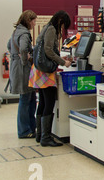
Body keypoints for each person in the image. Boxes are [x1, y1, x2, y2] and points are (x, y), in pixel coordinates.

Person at [29, 11, 72, 146]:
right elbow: (48, 50)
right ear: (60, 20)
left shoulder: (46, 27)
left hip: (39, 69)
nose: (62, 27)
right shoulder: (52, 29)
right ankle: (46, 138)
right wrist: (63, 62)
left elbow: (48, 50)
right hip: (45, 71)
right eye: (63, 24)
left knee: (42, 101)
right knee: (49, 101)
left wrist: (60, 57)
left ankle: (40, 135)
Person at [7, 10, 38, 138]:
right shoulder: (24, 34)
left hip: (16, 66)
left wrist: (15, 56)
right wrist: (26, 60)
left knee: (29, 99)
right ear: (28, 21)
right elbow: (24, 48)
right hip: (23, 69)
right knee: (26, 99)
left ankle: (30, 128)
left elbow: (9, 45)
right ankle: (25, 131)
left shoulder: (16, 32)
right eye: (34, 21)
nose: (35, 24)